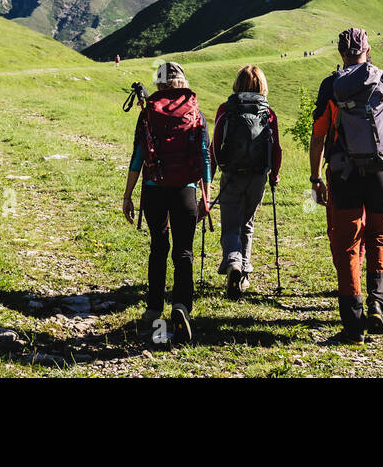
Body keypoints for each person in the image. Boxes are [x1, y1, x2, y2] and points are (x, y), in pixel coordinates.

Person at [309, 28, 383, 342]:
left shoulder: (331, 86)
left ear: (341, 52)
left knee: (348, 243)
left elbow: (318, 135)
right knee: (379, 235)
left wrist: (315, 178)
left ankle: (353, 323)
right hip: (382, 170)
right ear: (367, 50)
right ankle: (378, 306)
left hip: (343, 172)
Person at [121, 61, 211, 343]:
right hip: (185, 189)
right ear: (183, 82)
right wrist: (205, 197)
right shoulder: (196, 111)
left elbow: (138, 156)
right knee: (184, 251)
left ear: (159, 83)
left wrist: (127, 194)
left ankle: (153, 309)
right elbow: (205, 157)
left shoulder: (148, 111)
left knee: (159, 247)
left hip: (154, 188)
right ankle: (182, 306)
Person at [212, 65, 283, 296]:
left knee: (230, 225)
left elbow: (215, 144)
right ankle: (243, 275)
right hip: (257, 176)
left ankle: (233, 263)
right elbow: (277, 148)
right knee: (247, 224)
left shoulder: (226, 109)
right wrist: (274, 175)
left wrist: (211, 172)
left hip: (232, 174)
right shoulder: (268, 112)